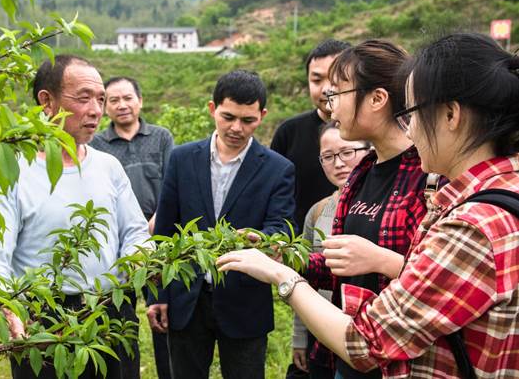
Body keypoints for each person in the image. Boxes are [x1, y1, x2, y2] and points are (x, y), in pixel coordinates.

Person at [217, 32, 519, 378]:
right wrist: (283, 256)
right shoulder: (371, 173)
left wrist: (281, 275)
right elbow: (349, 267)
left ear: (451, 115)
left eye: (415, 112)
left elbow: (367, 342)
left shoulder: (472, 223)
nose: (412, 128)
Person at [226, 40, 432, 379]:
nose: (328, 102)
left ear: (377, 99)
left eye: (338, 93)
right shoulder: (362, 173)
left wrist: (382, 260)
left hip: (402, 359)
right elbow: (339, 266)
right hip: (348, 351)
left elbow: (441, 277)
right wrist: (281, 256)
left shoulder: (426, 175)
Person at [0, 55, 150, 379]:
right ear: (47, 101)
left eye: (100, 99)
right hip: (42, 320)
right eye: (84, 98)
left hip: (111, 313)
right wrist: (7, 307)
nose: (96, 110)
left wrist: (137, 263)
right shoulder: (13, 171)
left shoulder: (108, 167)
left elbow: (136, 232)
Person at [147, 70, 296, 379]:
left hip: (244, 301)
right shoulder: (182, 158)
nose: (236, 128)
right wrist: (157, 294)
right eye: (228, 117)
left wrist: (259, 238)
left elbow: (279, 227)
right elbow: (164, 233)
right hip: (187, 297)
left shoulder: (278, 169)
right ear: (212, 108)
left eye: (248, 120)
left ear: (262, 116)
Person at [90, 76, 173, 379]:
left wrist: (156, 220)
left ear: (140, 100)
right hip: (116, 247)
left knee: (163, 313)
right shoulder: (97, 143)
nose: (122, 105)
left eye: (127, 98)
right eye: (113, 100)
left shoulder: (161, 137)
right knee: (119, 316)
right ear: (105, 106)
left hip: (158, 238)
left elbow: (170, 183)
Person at [292, 122, 370, 378]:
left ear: (368, 150)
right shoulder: (318, 211)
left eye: (347, 152)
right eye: (328, 156)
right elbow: (304, 279)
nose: (338, 163)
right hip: (322, 336)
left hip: (367, 334)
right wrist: (300, 338)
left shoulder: (381, 208)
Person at [271, 39, 351, 235]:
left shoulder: (367, 132)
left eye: (333, 80)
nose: (325, 89)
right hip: (299, 247)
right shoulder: (288, 132)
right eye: (316, 80)